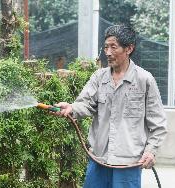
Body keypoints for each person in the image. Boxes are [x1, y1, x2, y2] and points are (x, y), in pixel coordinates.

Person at [54, 25, 168, 188]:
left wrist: (151, 150)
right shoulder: (99, 77)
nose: (107, 52)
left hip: (128, 164)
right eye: (106, 47)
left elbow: (158, 124)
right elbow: (85, 104)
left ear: (129, 48)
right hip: (99, 160)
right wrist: (71, 108)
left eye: (113, 47)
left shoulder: (144, 80)